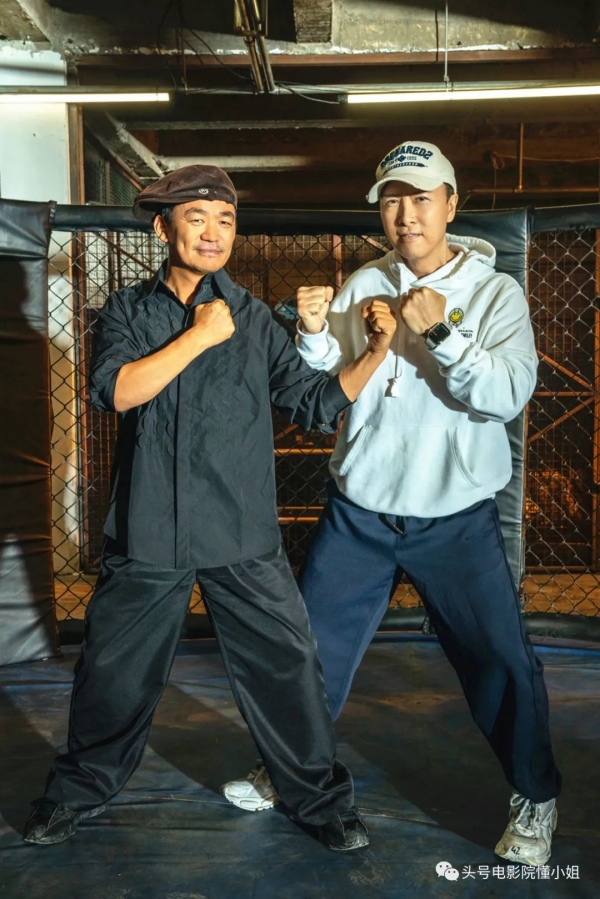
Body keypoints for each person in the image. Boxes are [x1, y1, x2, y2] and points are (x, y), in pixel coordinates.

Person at [23, 164, 398, 850]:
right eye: (196, 218)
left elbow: (314, 403)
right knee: (112, 672)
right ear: (163, 229)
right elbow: (116, 391)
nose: (213, 233)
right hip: (150, 528)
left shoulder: (253, 318)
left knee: (288, 666)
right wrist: (197, 335)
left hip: (240, 529)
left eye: (225, 220)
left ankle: (319, 799)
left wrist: (376, 353)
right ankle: (76, 792)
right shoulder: (128, 310)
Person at [222, 142, 562, 867]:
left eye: (421, 198)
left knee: (500, 658)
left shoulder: (496, 293)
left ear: (452, 204)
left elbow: (507, 395)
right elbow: (333, 376)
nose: (406, 214)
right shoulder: (365, 280)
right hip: (362, 510)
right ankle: (290, 768)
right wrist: (314, 333)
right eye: (392, 200)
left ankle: (535, 794)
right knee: (308, 651)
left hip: (456, 515)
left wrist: (441, 331)